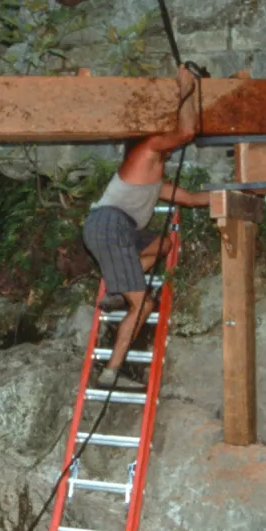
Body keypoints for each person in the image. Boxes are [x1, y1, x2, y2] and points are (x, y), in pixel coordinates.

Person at [82, 65, 210, 389]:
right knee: (145, 304)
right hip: (110, 225)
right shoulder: (143, 153)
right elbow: (185, 132)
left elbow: (193, 198)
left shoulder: (154, 180)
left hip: (115, 229)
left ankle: (118, 290)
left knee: (164, 243)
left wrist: (234, 195)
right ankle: (111, 372)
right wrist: (185, 90)